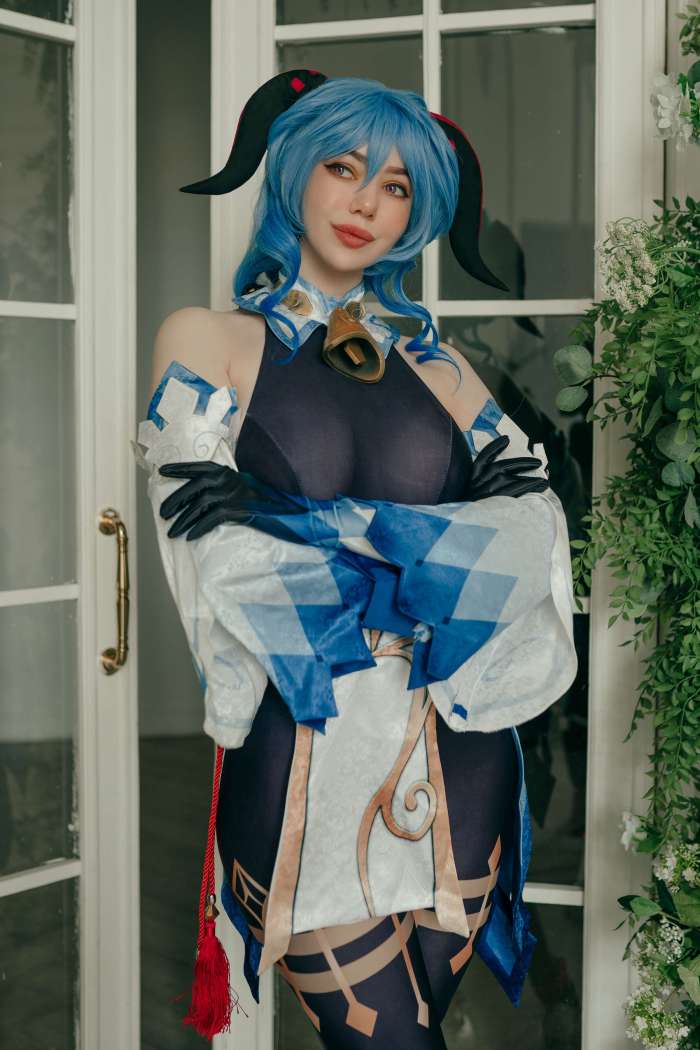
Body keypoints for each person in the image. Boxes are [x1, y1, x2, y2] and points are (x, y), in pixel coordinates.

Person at [135, 71, 578, 1048]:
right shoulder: (207, 341)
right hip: (303, 758)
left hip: (460, 757)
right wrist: (434, 562)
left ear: (416, 215)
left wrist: (307, 520)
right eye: (344, 169)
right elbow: (223, 558)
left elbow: (534, 535)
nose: (366, 203)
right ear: (295, 170)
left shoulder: (442, 370)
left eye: (397, 187)